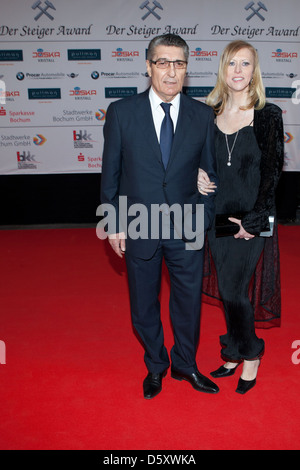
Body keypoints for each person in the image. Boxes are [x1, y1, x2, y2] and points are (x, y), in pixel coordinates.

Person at [101, 34, 219, 399]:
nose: (171, 71)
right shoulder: (122, 112)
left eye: (179, 63)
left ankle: (185, 364)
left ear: (187, 68)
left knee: (187, 303)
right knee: (143, 303)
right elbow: (111, 173)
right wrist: (113, 222)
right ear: (148, 66)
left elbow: (211, 172)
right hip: (139, 222)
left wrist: (207, 194)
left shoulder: (202, 115)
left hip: (187, 224)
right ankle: (156, 365)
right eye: (163, 62)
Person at [197, 40, 284, 394]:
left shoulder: (268, 114)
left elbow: (273, 173)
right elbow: (197, 158)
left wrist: (254, 220)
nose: (237, 71)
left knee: (235, 287)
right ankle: (232, 351)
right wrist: (197, 174)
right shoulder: (209, 111)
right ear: (223, 68)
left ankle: (251, 354)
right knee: (230, 289)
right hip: (218, 213)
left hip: (255, 215)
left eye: (245, 64)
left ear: (254, 70)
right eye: (232, 63)